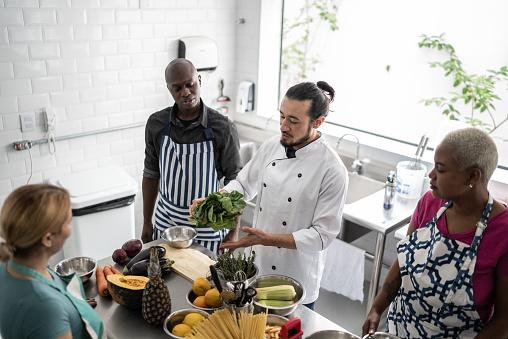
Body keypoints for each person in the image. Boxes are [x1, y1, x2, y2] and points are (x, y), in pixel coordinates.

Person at [205, 81, 349, 309]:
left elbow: (322, 236)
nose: (283, 126)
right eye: (282, 116)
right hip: (258, 266)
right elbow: (243, 186)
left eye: (293, 121)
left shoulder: (332, 169)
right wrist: (212, 201)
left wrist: (268, 239)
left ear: (318, 122)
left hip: (296, 280)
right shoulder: (272, 146)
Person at [362, 128, 508, 338]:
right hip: (398, 329)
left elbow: (503, 322)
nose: (431, 175)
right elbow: (403, 261)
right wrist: (377, 307)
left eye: (440, 169)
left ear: (473, 176)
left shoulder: (502, 231)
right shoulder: (430, 203)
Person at [142, 58, 242, 253]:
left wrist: (234, 230)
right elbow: (151, 174)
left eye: (190, 84)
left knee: (204, 281)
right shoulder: (157, 124)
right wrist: (147, 221)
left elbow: (235, 182)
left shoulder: (223, 127)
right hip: (166, 223)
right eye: (177, 88)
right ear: (169, 89)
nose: (186, 92)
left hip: (207, 227)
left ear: (200, 80)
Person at [0, 184, 104, 339]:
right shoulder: (45, 307)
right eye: (68, 222)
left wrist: (71, 308)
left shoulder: (8, 263)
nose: (70, 229)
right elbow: (45, 315)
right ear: (48, 239)